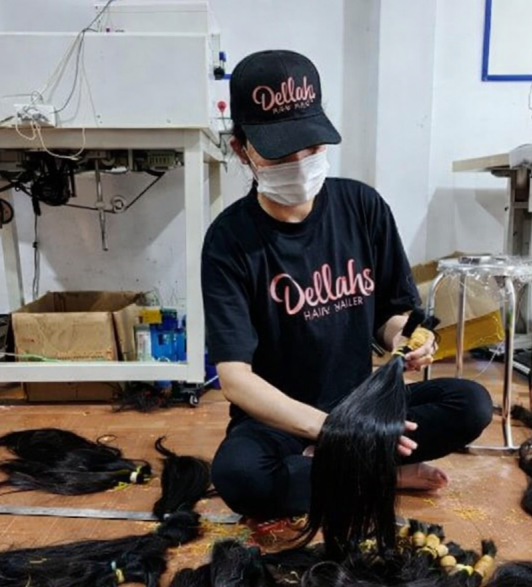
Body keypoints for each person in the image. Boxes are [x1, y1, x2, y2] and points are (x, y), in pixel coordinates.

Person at [201, 49, 493, 522]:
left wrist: (406, 338)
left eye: (313, 149)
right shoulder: (229, 241)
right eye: (281, 153)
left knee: (470, 403)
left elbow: (391, 314)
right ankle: (376, 471)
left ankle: (355, 469)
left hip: (363, 406)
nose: (301, 164)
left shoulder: (362, 206)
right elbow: (235, 379)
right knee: (242, 477)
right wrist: (332, 430)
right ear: (242, 150)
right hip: (282, 419)